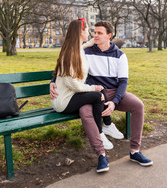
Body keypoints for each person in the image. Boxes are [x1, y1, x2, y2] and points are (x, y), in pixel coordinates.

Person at [51, 20, 153, 168]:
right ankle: (101, 155)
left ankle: (135, 151)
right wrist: (52, 81)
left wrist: (115, 102)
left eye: (100, 33)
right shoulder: (86, 51)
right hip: (92, 93)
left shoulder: (120, 55)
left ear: (109, 36)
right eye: (94, 32)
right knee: (85, 112)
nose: (95, 35)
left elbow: (123, 82)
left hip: (113, 93)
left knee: (138, 105)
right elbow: (64, 64)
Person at [50, 18, 109, 172]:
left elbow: (85, 45)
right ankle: (101, 132)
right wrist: (92, 88)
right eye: (87, 30)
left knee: (100, 92)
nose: (89, 33)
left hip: (70, 96)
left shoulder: (77, 49)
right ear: (80, 32)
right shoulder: (69, 54)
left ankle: (106, 126)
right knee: (98, 94)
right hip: (64, 101)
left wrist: (93, 41)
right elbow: (73, 85)